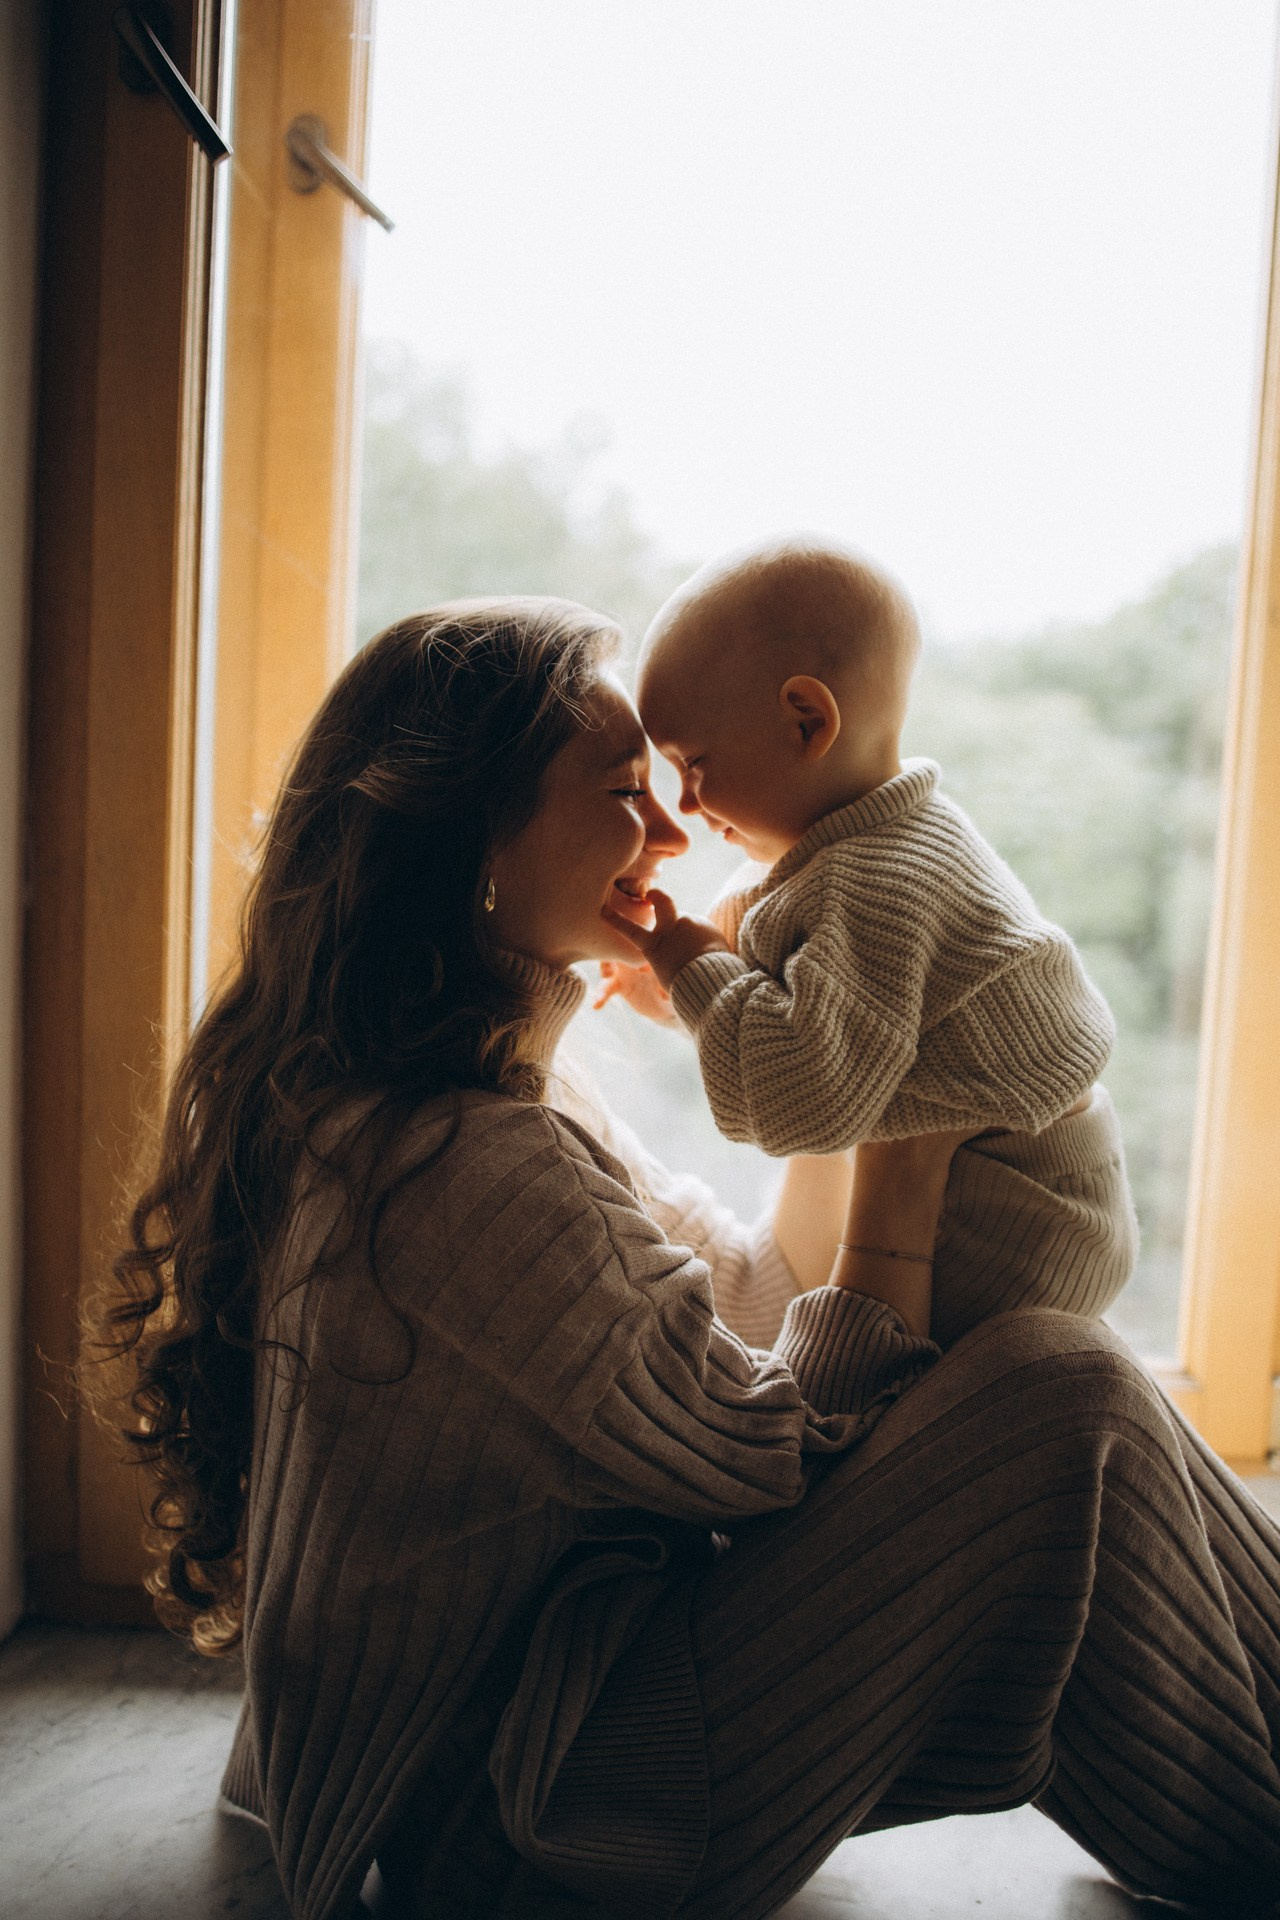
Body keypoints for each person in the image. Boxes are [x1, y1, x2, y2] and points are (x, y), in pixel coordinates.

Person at [102, 598, 1280, 1920]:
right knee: (1058, 1386)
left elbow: (753, 1304)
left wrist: (840, 1056)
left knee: (1063, 1391)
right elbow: (778, 1453)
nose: (672, 831)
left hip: (561, 1727)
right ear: (471, 848)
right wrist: (904, 1164)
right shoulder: (456, 1172)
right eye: (624, 793)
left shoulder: (471, 1100)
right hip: (536, 1819)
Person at [611, 535, 1137, 1345]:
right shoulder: (872, 845)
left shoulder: (881, 885)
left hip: (1022, 1217)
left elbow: (806, 1103)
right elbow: (820, 1010)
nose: (685, 804)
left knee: (857, 1386)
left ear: (806, 719)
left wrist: (690, 967)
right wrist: (688, 998)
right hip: (1030, 1191)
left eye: (696, 764)